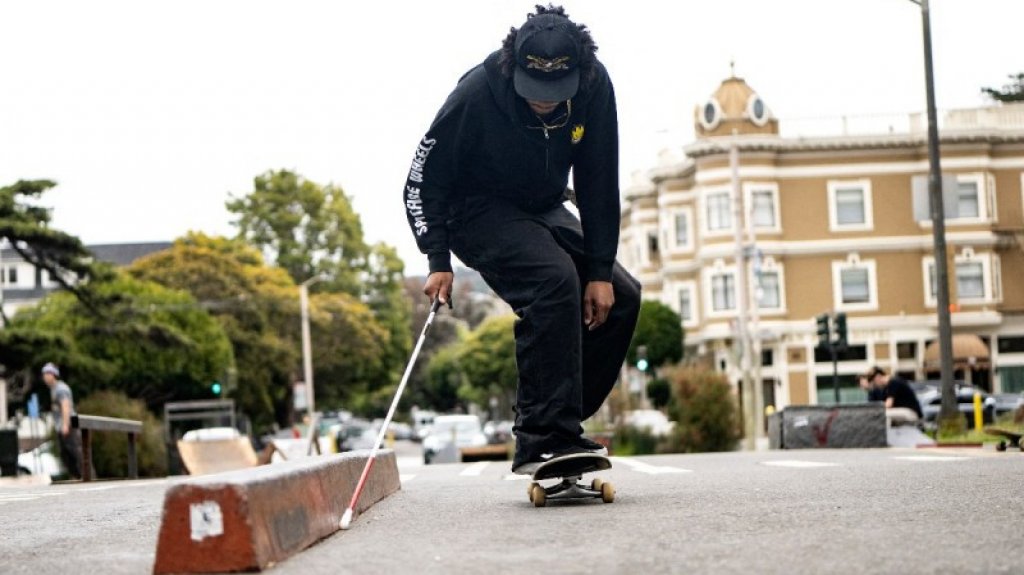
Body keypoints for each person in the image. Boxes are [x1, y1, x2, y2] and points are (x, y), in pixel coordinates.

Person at [402, 4, 641, 475]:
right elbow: (422, 180)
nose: (544, 101)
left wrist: (598, 271)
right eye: (535, 92)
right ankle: (540, 436)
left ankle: (561, 423)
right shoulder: (476, 91)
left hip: (543, 205)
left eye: (556, 92)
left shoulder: (594, 85)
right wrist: (437, 257)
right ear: (514, 67)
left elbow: (598, 181)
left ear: (580, 70)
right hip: (475, 208)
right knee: (553, 281)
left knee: (622, 295)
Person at [42, 362, 82, 479]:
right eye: (44, 374)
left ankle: (86, 475)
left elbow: (66, 406)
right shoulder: (53, 389)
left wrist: (65, 425)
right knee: (65, 454)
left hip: (69, 424)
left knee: (75, 451)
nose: (44, 377)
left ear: (53, 375)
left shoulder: (61, 389)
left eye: (47, 374)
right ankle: (76, 476)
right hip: (62, 425)